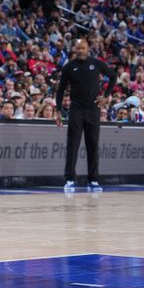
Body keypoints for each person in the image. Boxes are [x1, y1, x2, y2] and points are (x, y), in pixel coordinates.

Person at [55, 38, 117, 192]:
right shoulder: (69, 67)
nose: (81, 50)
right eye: (78, 48)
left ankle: (93, 180)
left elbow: (113, 77)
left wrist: (106, 96)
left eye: (83, 48)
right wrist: (57, 110)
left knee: (93, 145)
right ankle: (69, 179)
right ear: (74, 49)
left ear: (88, 48)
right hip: (76, 109)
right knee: (72, 145)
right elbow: (61, 89)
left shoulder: (96, 64)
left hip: (93, 109)